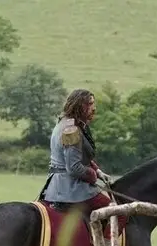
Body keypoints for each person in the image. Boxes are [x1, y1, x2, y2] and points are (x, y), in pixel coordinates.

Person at [39, 88, 123, 228]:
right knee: (119, 214)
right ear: (79, 105)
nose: (94, 108)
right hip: (70, 188)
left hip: (62, 185)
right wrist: (92, 175)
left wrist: (99, 172)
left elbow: (81, 156)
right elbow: (74, 168)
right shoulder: (71, 130)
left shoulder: (67, 123)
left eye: (93, 104)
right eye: (89, 104)